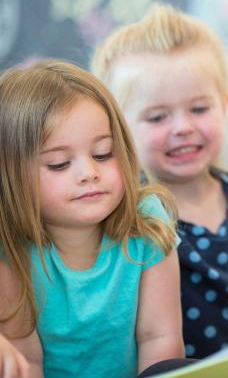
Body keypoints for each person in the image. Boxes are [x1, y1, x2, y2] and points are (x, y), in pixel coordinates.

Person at [91, 4, 228, 359]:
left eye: (198, 109)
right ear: (118, 131)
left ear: (224, 107)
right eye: (157, 116)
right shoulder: (125, 224)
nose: (182, 127)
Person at [0, 60, 184, 378]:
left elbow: (161, 340)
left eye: (102, 153)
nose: (89, 174)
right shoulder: (9, 251)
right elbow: (28, 362)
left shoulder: (148, 224)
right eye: (58, 164)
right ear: (10, 176)